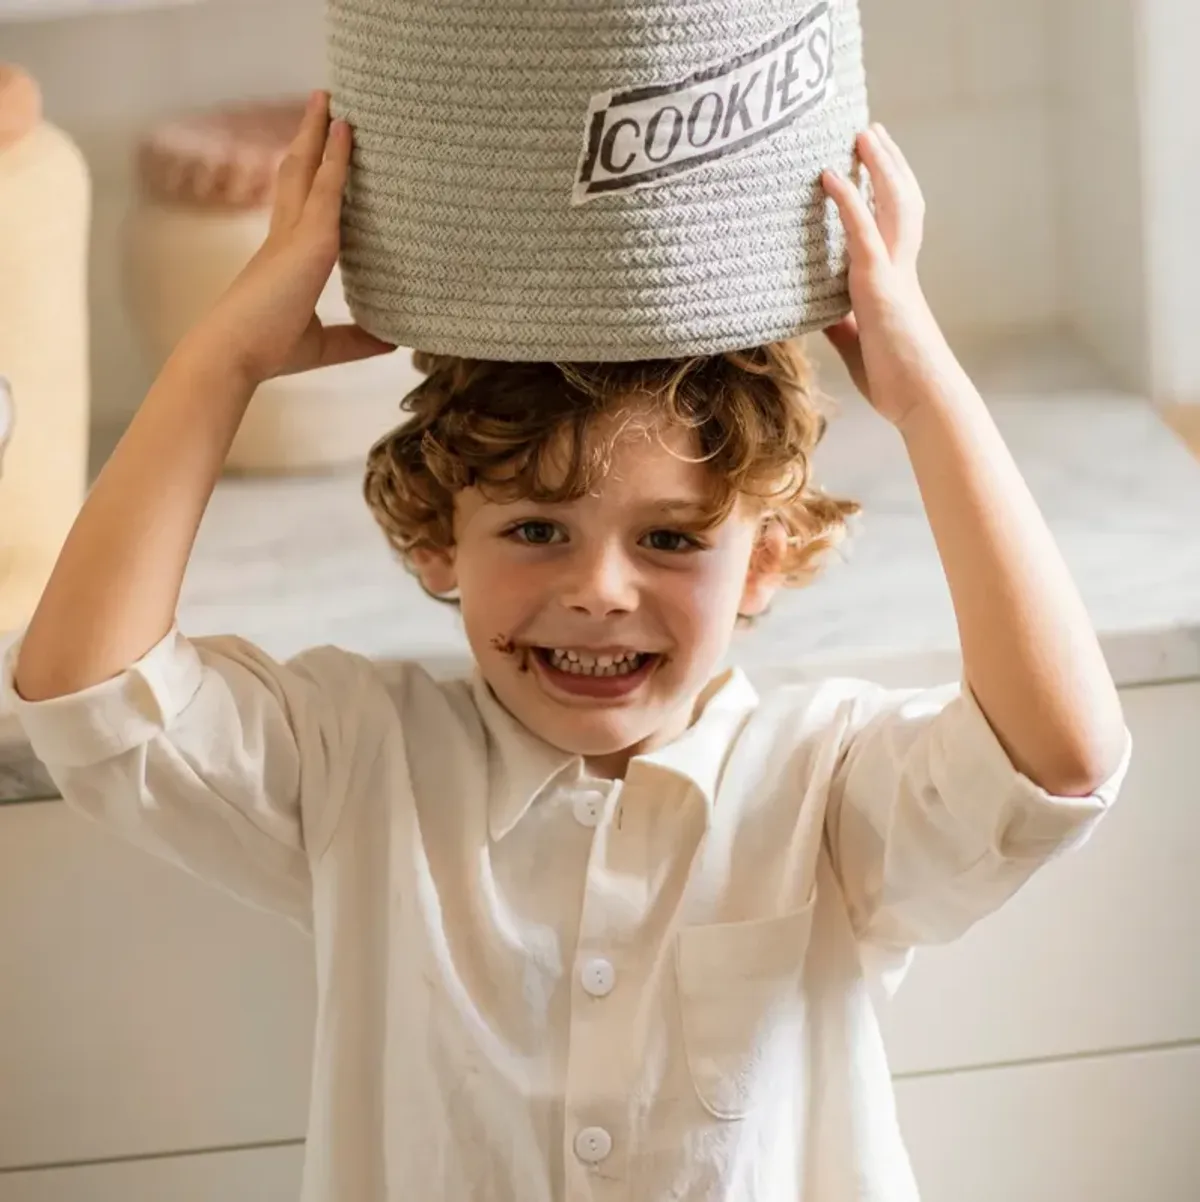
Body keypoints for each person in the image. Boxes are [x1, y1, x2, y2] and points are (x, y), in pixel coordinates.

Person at [3, 91, 1130, 1201]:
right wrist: (225, 358)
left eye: (672, 538)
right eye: (536, 528)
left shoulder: (822, 779)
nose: (597, 590)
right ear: (443, 536)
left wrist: (926, 390)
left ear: (769, 558)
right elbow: (87, 687)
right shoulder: (361, 761)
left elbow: (1059, 759)